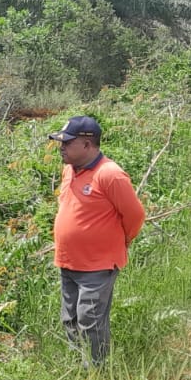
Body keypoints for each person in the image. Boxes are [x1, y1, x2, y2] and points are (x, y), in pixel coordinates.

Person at [49, 115, 146, 365]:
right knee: (69, 318)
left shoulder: (110, 174)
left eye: (67, 143)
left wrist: (121, 241)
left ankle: (97, 371)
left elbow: (135, 216)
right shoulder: (69, 170)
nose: (62, 148)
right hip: (68, 261)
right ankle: (76, 368)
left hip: (98, 264)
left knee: (90, 319)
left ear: (87, 144)